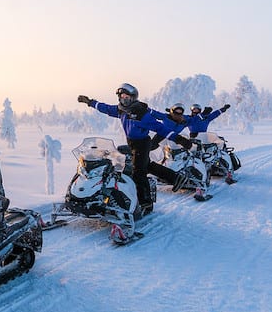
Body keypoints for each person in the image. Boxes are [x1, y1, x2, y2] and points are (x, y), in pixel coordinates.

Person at [78, 84, 192, 214]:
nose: (124, 99)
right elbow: (107, 109)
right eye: (121, 97)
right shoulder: (121, 109)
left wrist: (180, 140)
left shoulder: (141, 113)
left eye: (126, 97)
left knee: (139, 172)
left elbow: (160, 128)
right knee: (147, 165)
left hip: (142, 144)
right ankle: (176, 178)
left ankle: (145, 203)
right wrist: (90, 102)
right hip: (132, 143)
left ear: (133, 98)